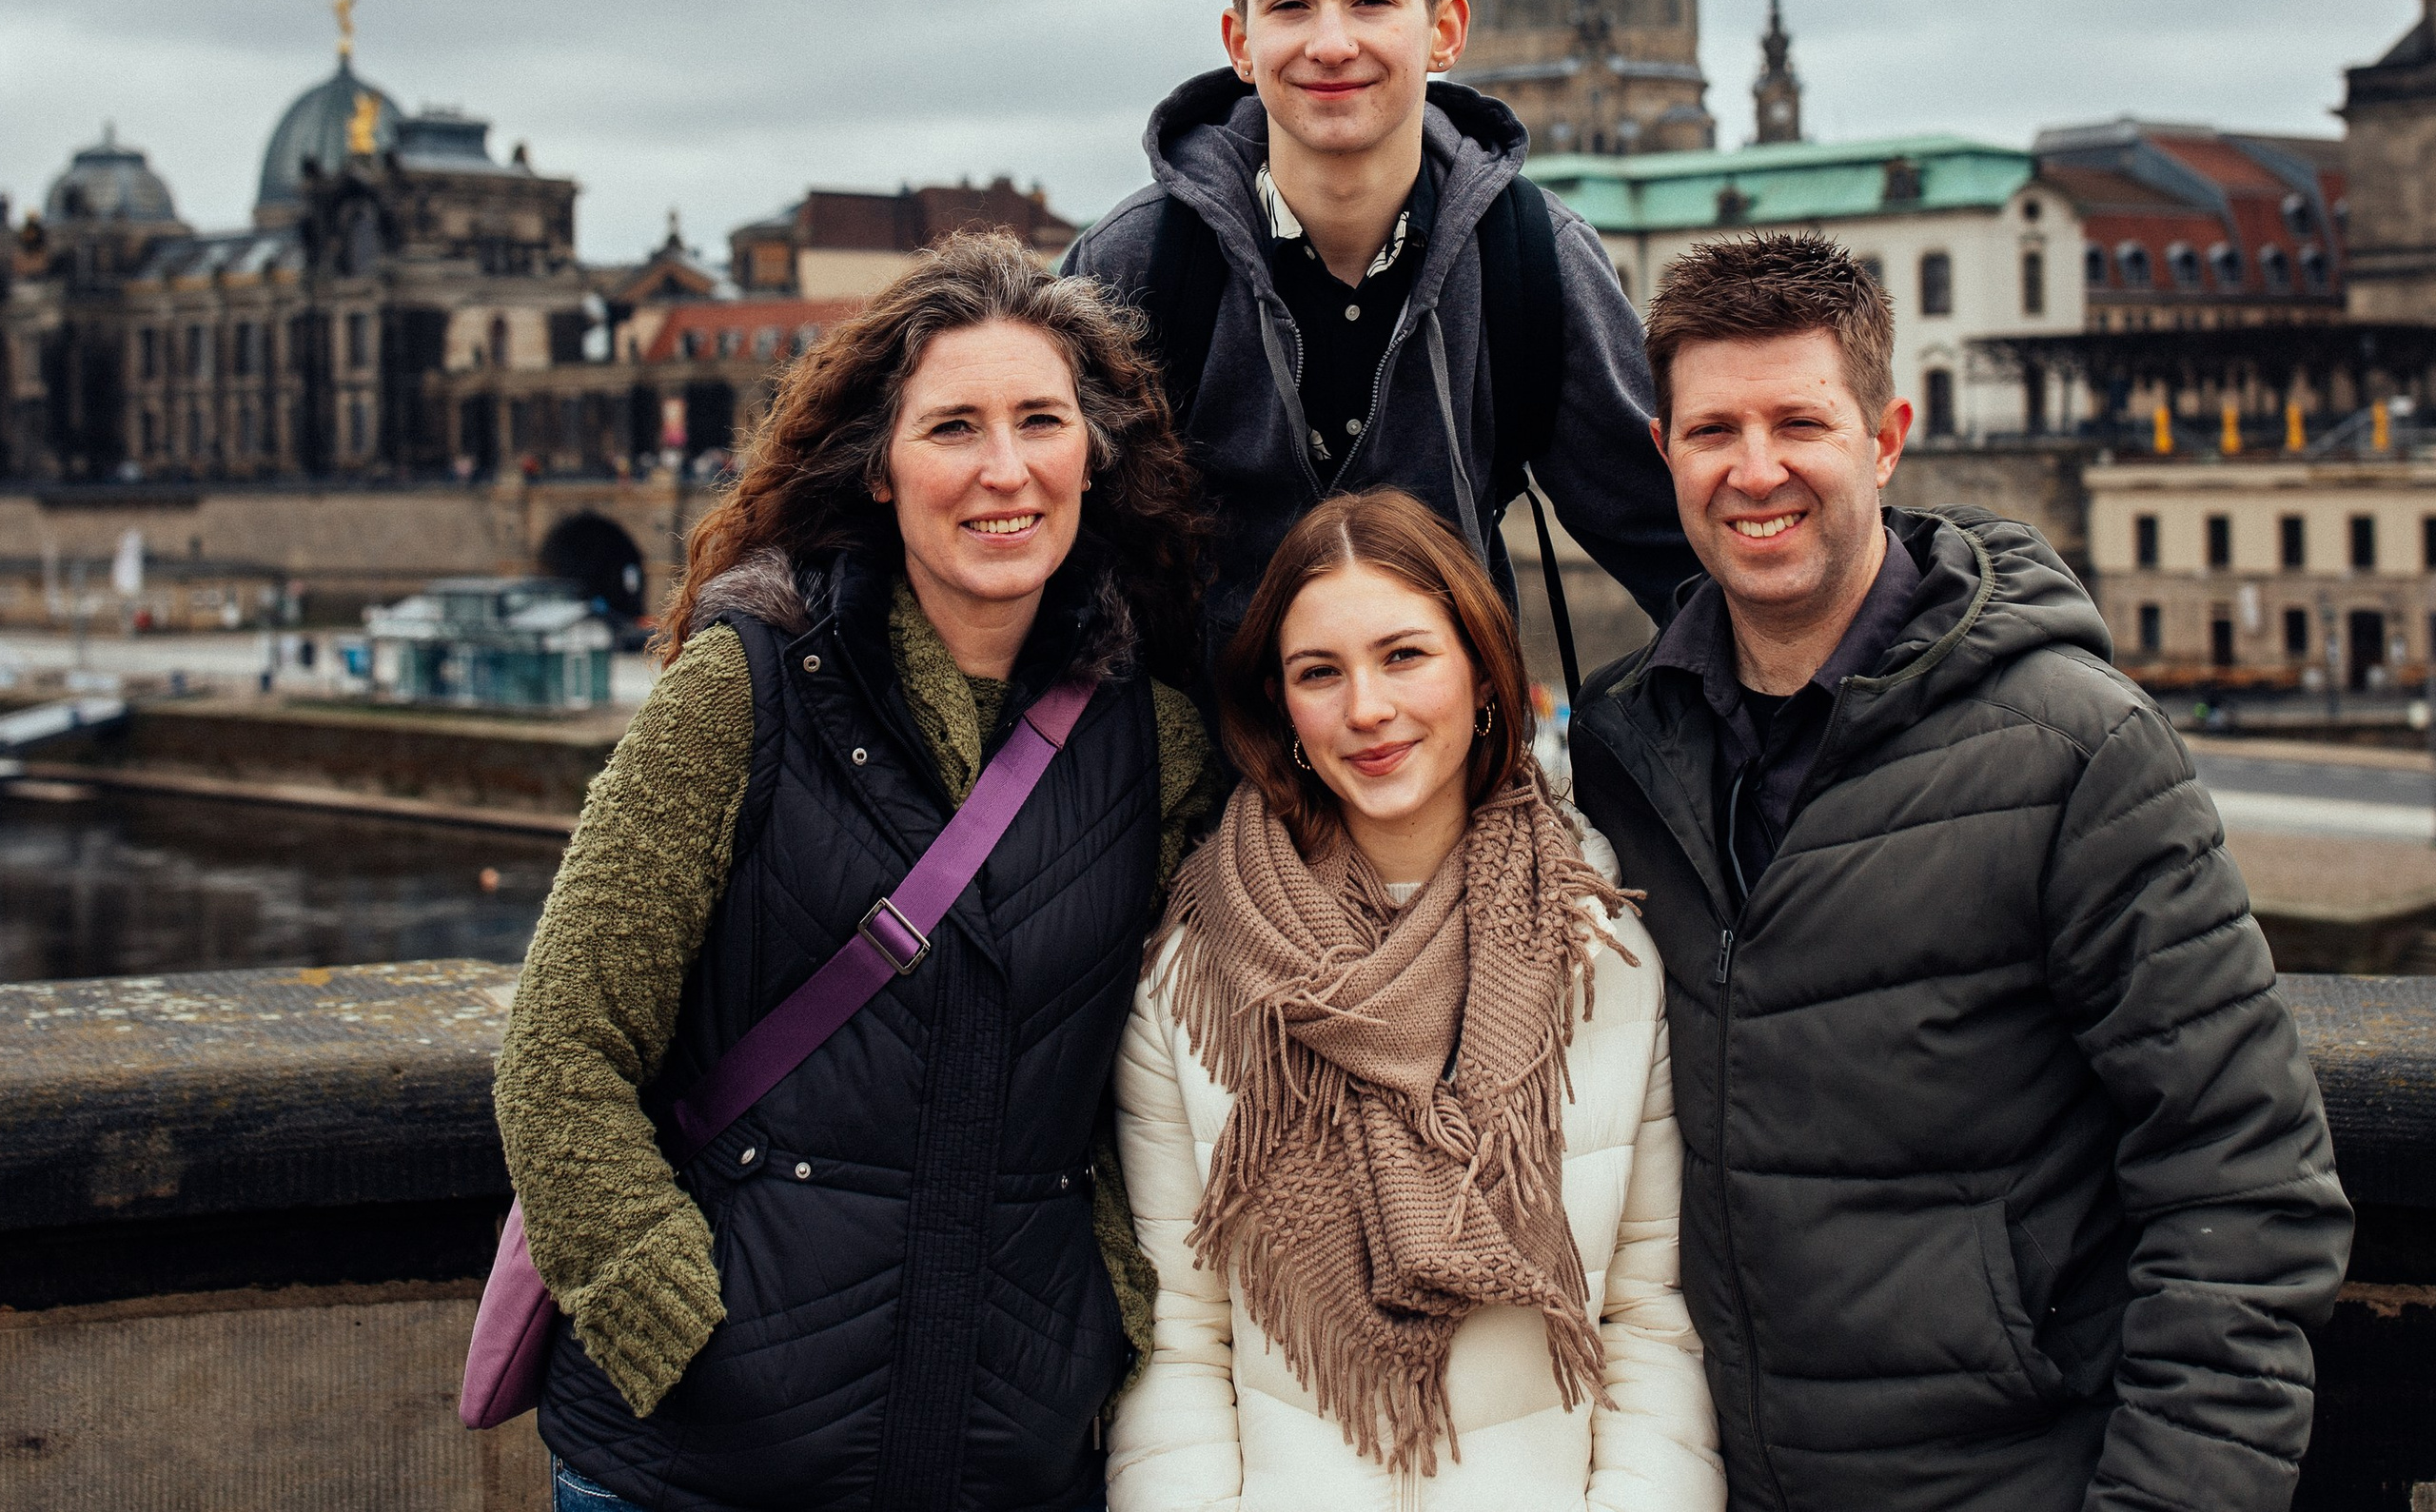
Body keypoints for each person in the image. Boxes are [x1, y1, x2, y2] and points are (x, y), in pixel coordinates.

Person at [1566, 230, 2351, 1512]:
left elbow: (2247, 1191)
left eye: (1798, 423)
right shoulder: (1623, 753)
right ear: (1663, 454)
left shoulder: (2079, 752)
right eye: (1713, 432)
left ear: (1886, 437)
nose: (1754, 471)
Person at [494, 233, 1220, 1512]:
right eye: (953, 428)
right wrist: (667, 1317)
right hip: (702, 1462)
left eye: (1041, 421)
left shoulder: (1150, 743)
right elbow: (561, 1049)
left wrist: (1103, 1321)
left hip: (1004, 1451)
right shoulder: (742, 690)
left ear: (1091, 457)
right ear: (879, 469)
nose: (1005, 470)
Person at [1110, 486, 1723, 1511]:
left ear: (1484, 673)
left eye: (1404, 655)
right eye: (1320, 672)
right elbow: (1179, 1339)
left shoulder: (1599, 947)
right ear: (1280, 707)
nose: (1366, 709)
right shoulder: (1197, 971)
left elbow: (1649, 1322)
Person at [1062, 0, 1694, 675]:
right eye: (1291, 3)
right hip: (1194, 802)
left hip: (1450, 785)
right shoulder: (1136, 267)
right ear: (1240, 43)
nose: (1332, 42)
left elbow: (1687, 550)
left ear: (1443, 32)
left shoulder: (1533, 258)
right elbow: (1043, 572)